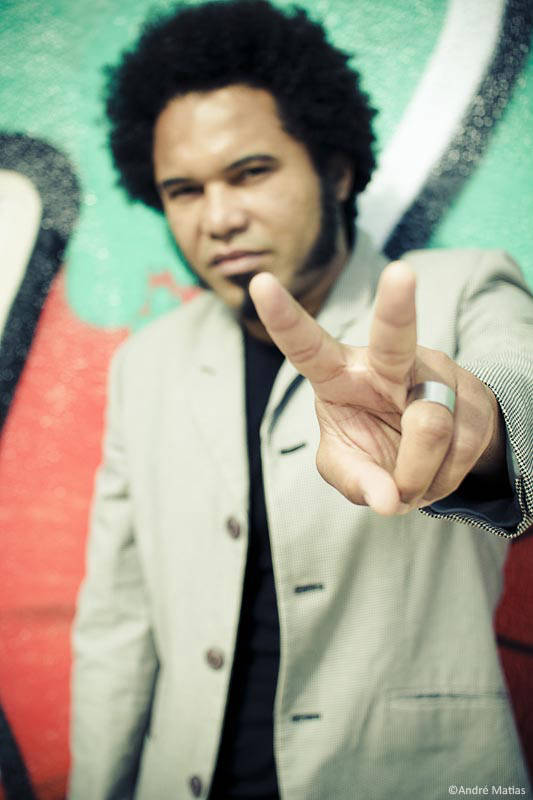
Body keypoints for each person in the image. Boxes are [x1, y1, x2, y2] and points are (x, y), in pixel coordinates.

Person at [69, 2, 533, 798]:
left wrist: (472, 428)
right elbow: (118, 618)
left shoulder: (459, 287)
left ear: (336, 169)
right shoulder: (145, 365)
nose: (219, 218)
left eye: (251, 172)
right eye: (184, 190)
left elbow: (516, 393)